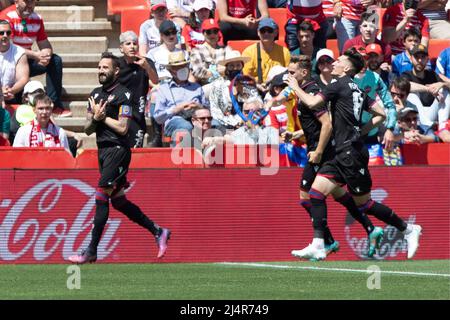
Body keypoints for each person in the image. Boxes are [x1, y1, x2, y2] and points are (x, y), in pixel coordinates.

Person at [287, 48, 422, 261]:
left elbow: (313, 103)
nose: (335, 62)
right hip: (344, 151)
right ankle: (319, 244)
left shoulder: (337, 85)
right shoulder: (357, 89)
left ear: (347, 68)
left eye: (339, 60)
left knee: (365, 204)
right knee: (315, 194)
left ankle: (407, 229)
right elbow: (381, 114)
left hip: (351, 154)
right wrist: (361, 130)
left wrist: (295, 87)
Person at [68, 52, 171, 264]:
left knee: (100, 195)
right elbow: (87, 129)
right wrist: (95, 119)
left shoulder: (124, 95)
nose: (101, 71)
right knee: (119, 201)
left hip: (118, 150)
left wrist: (102, 118)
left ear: (116, 71)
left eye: (105, 68)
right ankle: (158, 231)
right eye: (99, 67)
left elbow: (123, 128)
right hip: (103, 151)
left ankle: (91, 251)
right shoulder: (95, 94)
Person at [0, 0, 68, 116]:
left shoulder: (37, 18)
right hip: (10, 59)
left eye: (32, 1)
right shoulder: (6, 17)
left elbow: (45, 44)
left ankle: (54, 104)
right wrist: (36, 55)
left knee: (55, 60)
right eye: (26, 1)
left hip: (28, 60)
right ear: (16, 1)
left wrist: (45, 55)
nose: (30, 5)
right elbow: (8, 46)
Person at [153, 51, 208, 146]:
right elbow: (158, 117)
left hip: (197, 118)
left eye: (184, 66)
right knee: (185, 127)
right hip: (175, 120)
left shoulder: (197, 87)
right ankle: (180, 158)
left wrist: (199, 106)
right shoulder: (164, 89)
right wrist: (177, 109)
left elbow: (208, 109)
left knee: (216, 125)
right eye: (177, 68)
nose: (182, 70)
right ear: (170, 71)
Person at [118, 31, 159, 148]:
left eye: (135, 43)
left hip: (137, 115)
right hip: (118, 113)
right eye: (128, 43)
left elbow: (155, 81)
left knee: (135, 150)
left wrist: (146, 67)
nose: (132, 46)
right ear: (121, 48)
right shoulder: (116, 64)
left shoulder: (146, 62)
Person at [403, 44, 450, 133]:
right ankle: (427, 125)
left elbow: (445, 86)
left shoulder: (432, 74)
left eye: (423, 57)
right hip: (415, 118)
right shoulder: (406, 75)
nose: (420, 60)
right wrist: (427, 89)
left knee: (445, 91)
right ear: (411, 58)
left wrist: (442, 84)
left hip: (431, 113)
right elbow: (405, 86)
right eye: (416, 57)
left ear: (427, 59)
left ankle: (442, 127)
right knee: (411, 94)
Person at [209, 50, 250, 130]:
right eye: (231, 66)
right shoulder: (218, 85)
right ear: (227, 67)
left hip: (245, 122)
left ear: (242, 66)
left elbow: (253, 106)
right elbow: (215, 111)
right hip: (224, 123)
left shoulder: (248, 84)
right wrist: (234, 123)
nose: (235, 68)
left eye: (238, 65)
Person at [242, 17, 290, 85]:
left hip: (278, 88)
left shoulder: (284, 52)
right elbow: (246, 77)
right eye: (263, 31)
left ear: (276, 32)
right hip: (255, 87)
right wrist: (258, 86)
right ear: (258, 33)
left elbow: (288, 75)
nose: (266, 33)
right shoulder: (249, 52)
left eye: (270, 30)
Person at [190, 18, 232, 86]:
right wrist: (217, 72)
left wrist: (224, 71)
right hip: (205, 86)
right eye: (209, 32)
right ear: (203, 33)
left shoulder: (226, 49)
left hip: (224, 84)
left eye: (215, 31)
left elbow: (232, 68)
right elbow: (198, 72)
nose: (212, 35)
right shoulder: (197, 50)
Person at [0, 19, 29, 104]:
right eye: (1, 33)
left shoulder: (19, 52)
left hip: (10, 94)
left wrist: (11, 90)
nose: (5, 35)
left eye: (8, 33)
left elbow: (23, 78)